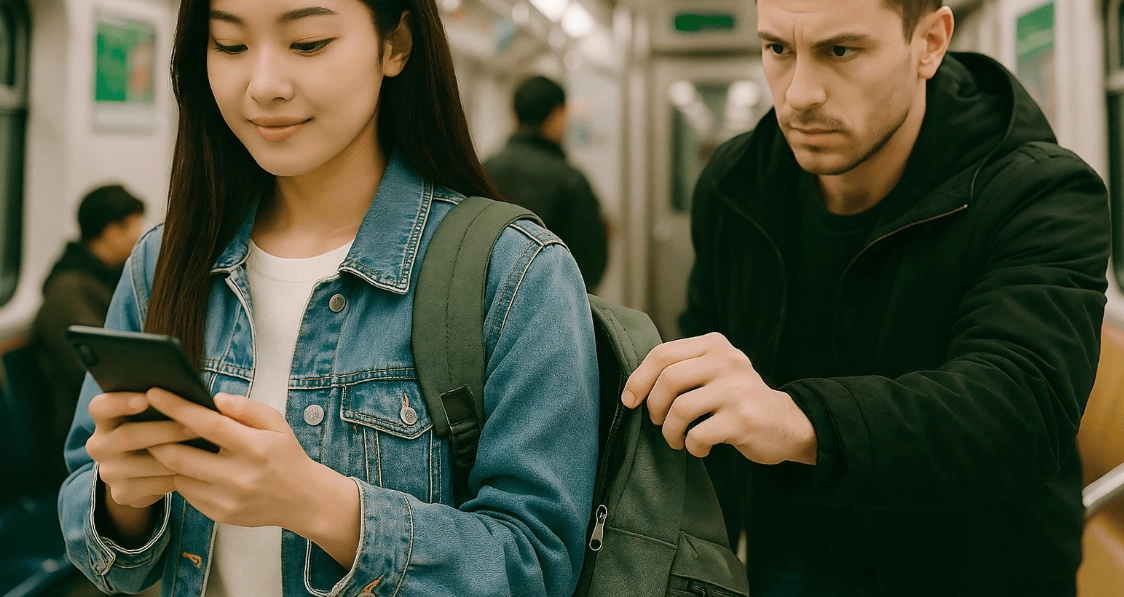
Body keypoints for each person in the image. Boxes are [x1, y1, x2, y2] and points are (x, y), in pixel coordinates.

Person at [57, 1, 598, 596]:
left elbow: (538, 566)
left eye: (308, 43)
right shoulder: (164, 262)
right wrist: (123, 497)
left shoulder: (515, 271)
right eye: (230, 46)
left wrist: (321, 506)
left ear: (394, 47)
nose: (263, 86)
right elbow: (99, 532)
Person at [622, 1, 1109, 596]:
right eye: (778, 49)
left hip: (977, 570)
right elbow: (705, 419)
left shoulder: (1041, 192)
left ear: (929, 42)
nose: (799, 93)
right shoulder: (737, 183)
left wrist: (798, 420)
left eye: (840, 51)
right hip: (794, 562)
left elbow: (1023, 407)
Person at [31, 184, 146, 482]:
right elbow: (98, 372)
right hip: (82, 432)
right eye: (135, 226)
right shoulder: (69, 292)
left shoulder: (105, 278)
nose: (140, 236)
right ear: (111, 231)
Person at [485, 76, 609, 291]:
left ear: (515, 116)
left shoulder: (483, 171)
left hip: (488, 307)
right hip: (553, 306)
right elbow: (590, 265)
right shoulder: (570, 180)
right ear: (558, 116)